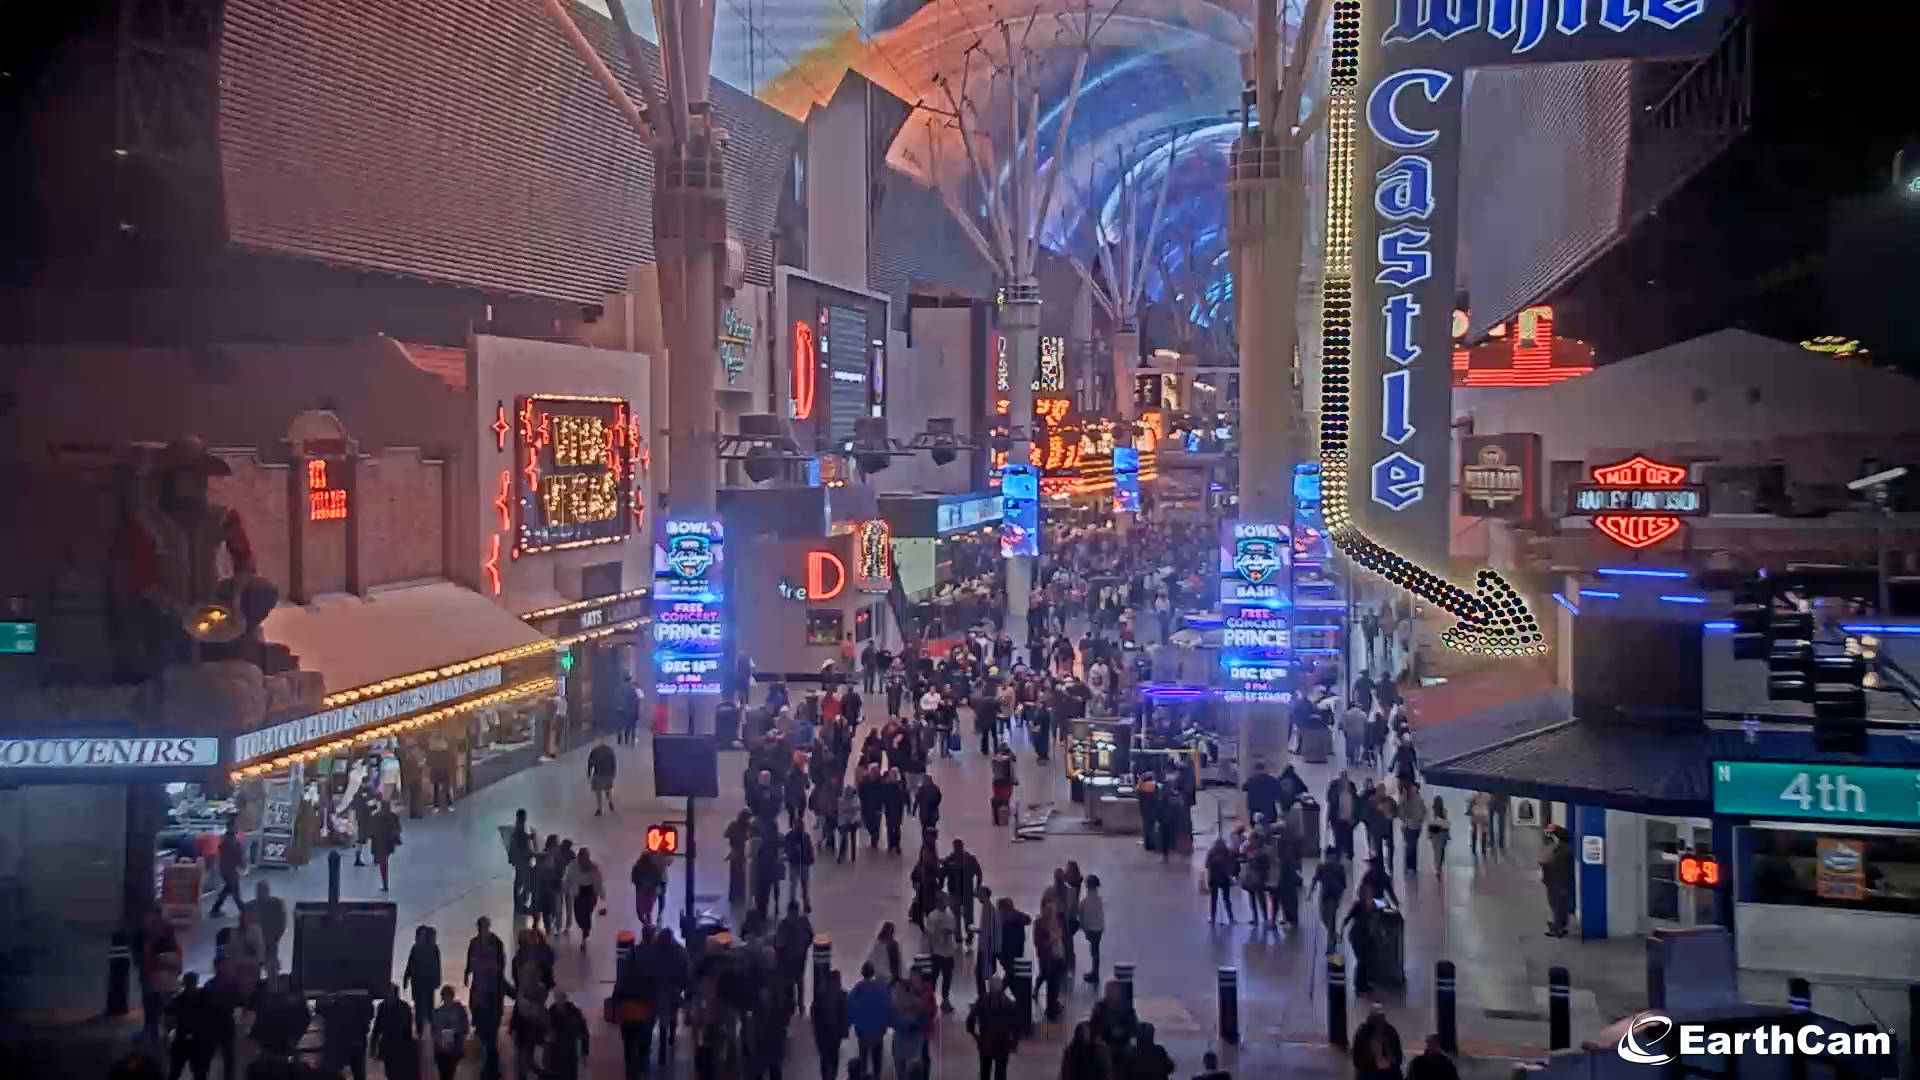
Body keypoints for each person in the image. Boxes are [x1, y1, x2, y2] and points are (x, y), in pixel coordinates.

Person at [464, 916, 509, 1080]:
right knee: (487, 1041)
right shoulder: (474, 943)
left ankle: (492, 1070)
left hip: (491, 1008)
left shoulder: (496, 942)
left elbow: (501, 962)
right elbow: (469, 958)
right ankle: (491, 1068)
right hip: (482, 1000)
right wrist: (467, 972)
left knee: (489, 1040)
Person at [966, 976, 1021, 1080]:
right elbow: (1016, 1026)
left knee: (985, 1071)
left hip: (986, 1042)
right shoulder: (1008, 1002)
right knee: (1001, 1073)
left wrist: (975, 1034)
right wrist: (1014, 1043)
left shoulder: (982, 1000)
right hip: (1003, 1043)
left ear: (989, 987)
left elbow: (970, 1020)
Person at [847, 963, 894, 1079]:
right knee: (877, 1056)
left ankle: (862, 1075)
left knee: (863, 1056)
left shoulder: (858, 989)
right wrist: (886, 1023)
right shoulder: (881, 988)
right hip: (878, 1030)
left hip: (863, 1030)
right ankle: (877, 1076)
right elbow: (888, 1006)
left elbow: (850, 1006)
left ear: (863, 973)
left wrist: (853, 1022)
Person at [321, 989, 375, 1080]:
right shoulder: (359, 1007)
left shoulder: (333, 1009)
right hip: (355, 1042)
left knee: (337, 1072)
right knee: (358, 1072)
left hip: (342, 1044)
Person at [372, 981, 419, 1080]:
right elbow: (377, 1027)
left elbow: (408, 1029)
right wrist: (373, 1045)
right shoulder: (382, 1006)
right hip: (388, 1045)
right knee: (390, 1073)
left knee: (398, 1073)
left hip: (400, 1046)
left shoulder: (404, 1007)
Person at [404, 925, 442, 1036]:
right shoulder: (415, 949)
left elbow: (437, 966)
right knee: (419, 1007)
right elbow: (410, 965)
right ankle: (421, 1031)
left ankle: (428, 1031)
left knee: (428, 1007)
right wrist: (406, 978)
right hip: (417, 983)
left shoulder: (433, 948)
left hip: (427, 983)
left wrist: (437, 980)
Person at [1308, 847, 1349, 951]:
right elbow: (1344, 884)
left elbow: (1315, 880)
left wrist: (1310, 893)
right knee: (1329, 918)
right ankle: (1333, 937)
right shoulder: (1332, 867)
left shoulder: (1327, 867)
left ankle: (1330, 944)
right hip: (1332, 895)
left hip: (1328, 896)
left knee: (1327, 918)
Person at [1352, 1002, 1405, 1080]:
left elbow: (1398, 1057)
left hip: (1389, 1071)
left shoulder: (1390, 1032)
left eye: (1381, 1017)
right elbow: (1357, 1060)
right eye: (1377, 1017)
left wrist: (1386, 1046)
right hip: (1369, 1071)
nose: (1379, 1021)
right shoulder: (1362, 1034)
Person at [565, 848, 606, 947]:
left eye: (586, 857)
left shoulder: (593, 867)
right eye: (582, 857)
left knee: (587, 913)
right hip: (578, 892)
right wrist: (566, 887)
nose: (583, 860)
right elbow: (568, 878)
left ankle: (585, 935)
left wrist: (601, 893)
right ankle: (583, 927)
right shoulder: (572, 866)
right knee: (578, 914)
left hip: (590, 892)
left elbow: (599, 880)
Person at [813, 968, 850, 1080]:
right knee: (834, 1056)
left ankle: (825, 1076)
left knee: (824, 1057)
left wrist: (815, 1030)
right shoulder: (842, 994)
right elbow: (844, 1015)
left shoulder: (820, 994)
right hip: (835, 1033)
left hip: (822, 1033)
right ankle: (832, 1076)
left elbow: (814, 1014)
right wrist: (844, 1032)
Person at [546, 989, 590, 1080]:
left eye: (560, 998)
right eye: (557, 997)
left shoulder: (574, 1013)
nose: (558, 1000)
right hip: (557, 1052)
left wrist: (584, 1051)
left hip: (568, 1052)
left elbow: (584, 1032)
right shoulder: (552, 1011)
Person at [248, 881, 288, 978]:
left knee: (271, 968)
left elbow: (282, 921)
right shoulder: (251, 906)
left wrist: (277, 936)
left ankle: (272, 985)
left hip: (270, 940)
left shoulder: (276, 904)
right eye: (258, 891)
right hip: (257, 943)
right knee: (255, 969)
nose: (259, 894)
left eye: (262, 891)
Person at [1541, 824, 1575, 937]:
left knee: (1557, 904)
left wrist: (1545, 863)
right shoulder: (1560, 848)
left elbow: (1554, 865)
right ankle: (1558, 925)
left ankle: (1558, 928)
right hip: (1555, 881)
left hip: (1558, 882)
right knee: (1557, 904)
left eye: (1552, 834)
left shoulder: (1563, 850)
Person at [430, 986, 470, 1080]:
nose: (446, 998)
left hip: (452, 1050)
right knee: (445, 1074)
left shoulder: (458, 1010)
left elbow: (464, 1029)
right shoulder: (438, 1012)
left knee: (448, 1074)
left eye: (447, 995)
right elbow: (434, 1031)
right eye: (444, 995)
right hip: (442, 1050)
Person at [207, 821, 245, 918]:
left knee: (227, 889)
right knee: (236, 893)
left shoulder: (223, 840)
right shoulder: (233, 842)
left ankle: (215, 909)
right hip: (231, 871)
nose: (237, 829)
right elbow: (238, 857)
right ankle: (244, 912)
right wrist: (242, 866)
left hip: (224, 869)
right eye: (236, 827)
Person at [369, 798, 402, 892]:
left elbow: (372, 830)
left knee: (383, 864)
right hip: (389, 842)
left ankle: (385, 883)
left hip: (380, 842)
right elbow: (398, 829)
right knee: (384, 862)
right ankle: (385, 883)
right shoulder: (393, 816)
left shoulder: (376, 816)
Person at [1205, 837, 1238, 924]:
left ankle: (1213, 918)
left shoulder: (1211, 853)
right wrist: (1232, 876)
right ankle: (1231, 918)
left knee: (1213, 900)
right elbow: (1231, 865)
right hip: (1224, 879)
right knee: (1226, 899)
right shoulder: (1226, 852)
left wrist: (1208, 880)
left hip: (1214, 879)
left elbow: (1207, 866)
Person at [1397, 787, 1426, 875]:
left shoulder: (1417, 800)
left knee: (1411, 847)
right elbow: (1400, 811)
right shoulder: (1407, 800)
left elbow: (1423, 812)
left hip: (1411, 826)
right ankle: (1410, 866)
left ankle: (1410, 866)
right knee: (1411, 846)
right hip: (1410, 827)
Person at [588, 741, 618, 815]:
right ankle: (610, 801)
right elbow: (614, 763)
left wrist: (589, 773)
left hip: (598, 774)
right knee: (608, 790)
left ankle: (599, 808)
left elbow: (590, 762)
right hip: (608, 774)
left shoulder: (595, 750)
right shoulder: (610, 751)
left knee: (598, 792)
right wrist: (613, 774)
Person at [1427, 797, 1451, 876]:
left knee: (1437, 851)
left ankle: (1437, 867)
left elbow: (1429, 824)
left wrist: (1429, 835)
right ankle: (1438, 867)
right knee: (1440, 851)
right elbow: (1447, 823)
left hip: (1434, 834)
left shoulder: (1431, 812)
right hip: (1442, 834)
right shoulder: (1444, 811)